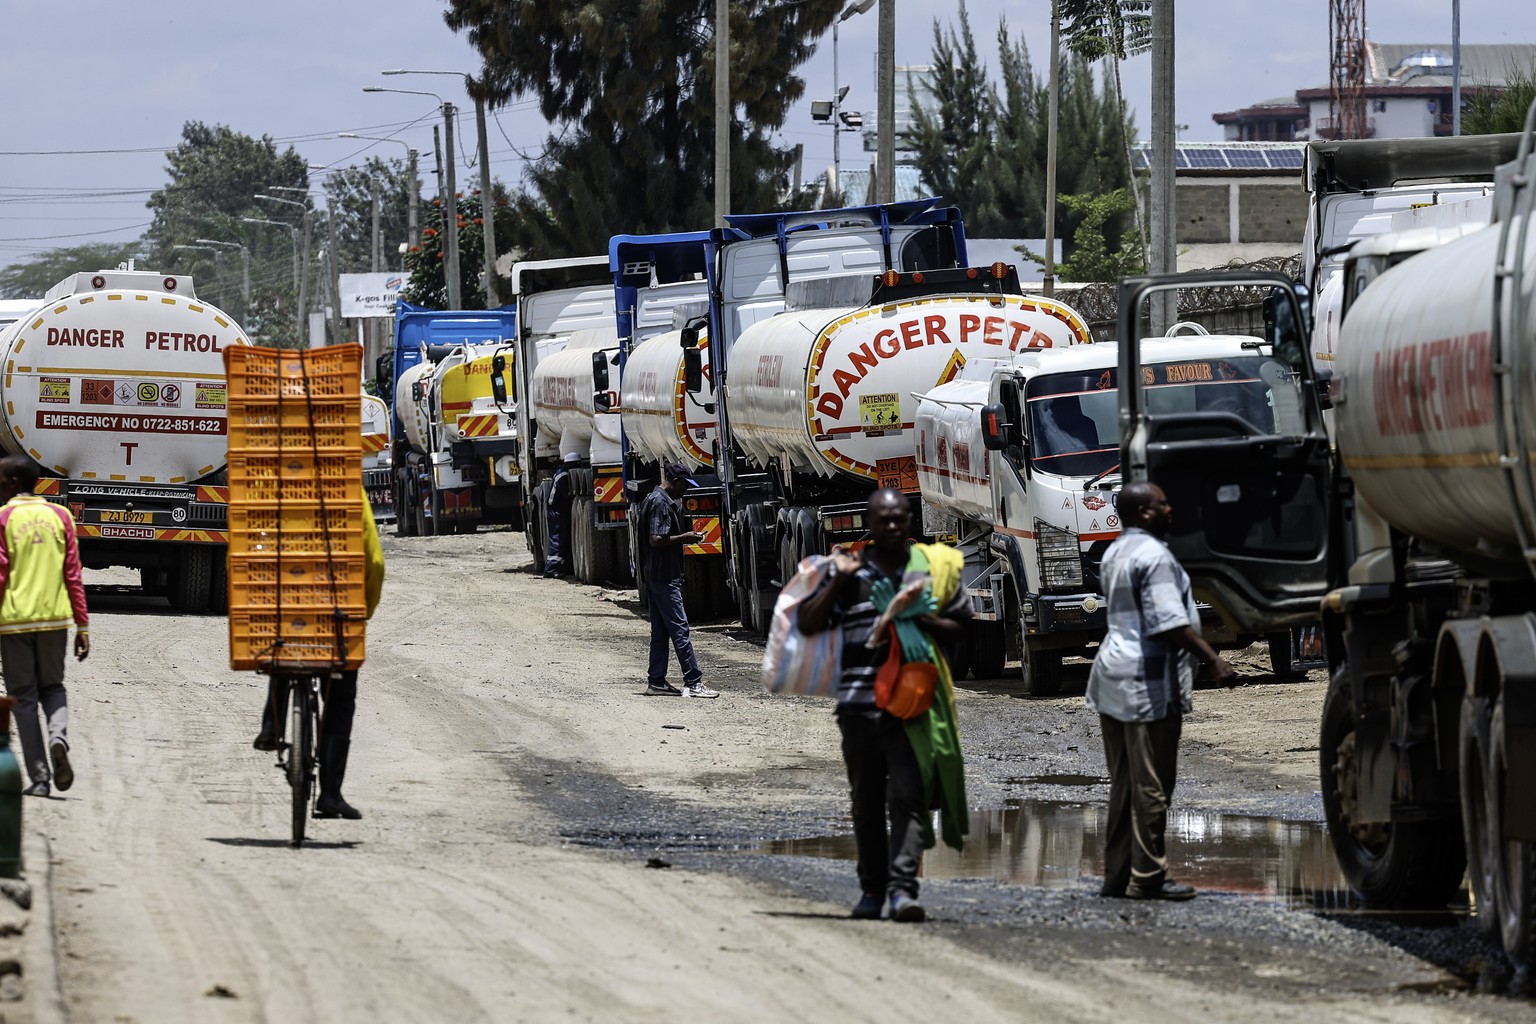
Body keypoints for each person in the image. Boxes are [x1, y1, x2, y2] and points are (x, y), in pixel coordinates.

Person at [797, 488, 970, 922]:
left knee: (909, 799)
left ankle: (902, 890)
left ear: (909, 521)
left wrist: (912, 615)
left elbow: (961, 626)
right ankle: (872, 891)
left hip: (913, 706)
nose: (892, 526)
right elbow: (807, 623)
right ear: (869, 526)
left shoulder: (929, 571)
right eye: (883, 520)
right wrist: (837, 578)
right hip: (859, 708)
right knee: (867, 803)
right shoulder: (850, 575)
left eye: (899, 518)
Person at [1087, 481, 1235, 901]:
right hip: (1145, 682)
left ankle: (1117, 875)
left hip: (1111, 676)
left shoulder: (1116, 550)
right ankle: (1148, 876)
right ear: (1147, 513)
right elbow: (1169, 622)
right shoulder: (1155, 556)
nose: (1171, 509)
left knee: (1124, 783)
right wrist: (1212, 659)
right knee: (1152, 785)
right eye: (1164, 503)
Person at [253, 500, 387, 819]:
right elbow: (375, 562)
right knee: (339, 701)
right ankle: (330, 794)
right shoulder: (351, 494)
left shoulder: (274, 493)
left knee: (282, 648)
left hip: (285, 607)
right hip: (337, 618)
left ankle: (271, 725)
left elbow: (248, 552)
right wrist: (363, 612)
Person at [0, 456, 89, 797]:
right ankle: (58, 737)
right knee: (53, 688)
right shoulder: (61, 516)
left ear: (12, 482)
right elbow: (73, 574)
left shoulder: (4, 517)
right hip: (55, 620)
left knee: (23, 697)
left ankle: (39, 778)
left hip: (15, 621)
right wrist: (83, 627)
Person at [638, 463, 717, 698]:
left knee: (661, 632)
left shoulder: (652, 498)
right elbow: (656, 539)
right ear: (674, 481)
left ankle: (657, 681)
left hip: (654, 575)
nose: (685, 491)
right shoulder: (661, 503)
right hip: (663, 576)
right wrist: (687, 537)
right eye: (684, 486)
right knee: (680, 630)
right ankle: (694, 682)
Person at [543, 452, 579, 579]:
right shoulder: (563, 474)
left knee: (561, 540)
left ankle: (554, 568)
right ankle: (550, 570)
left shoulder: (561, 472)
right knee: (559, 540)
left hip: (557, 510)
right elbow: (566, 494)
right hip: (557, 512)